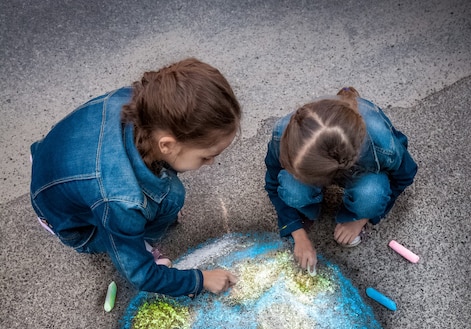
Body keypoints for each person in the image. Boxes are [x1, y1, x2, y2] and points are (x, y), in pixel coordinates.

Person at [30, 58, 241, 298]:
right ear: (167, 145)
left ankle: (67, 190)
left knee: (165, 197)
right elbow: (141, 275)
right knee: (168, 199)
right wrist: (200, 279)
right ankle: (59, 219)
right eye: (206, 157)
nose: (212, 163)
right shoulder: (121, 198)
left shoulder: (145, 101)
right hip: (73, 222)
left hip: (56, 158)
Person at [264, 87, 418, 270]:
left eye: (304, 175)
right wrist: (297, 233)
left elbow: (406, 174)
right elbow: (273, 182)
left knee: (371, 194)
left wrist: (360, 220)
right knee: (292, 188)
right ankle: (308, 211)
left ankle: (353, 214)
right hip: (336, 158)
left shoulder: (381, 146)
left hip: (361, 164)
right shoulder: (285, 134)